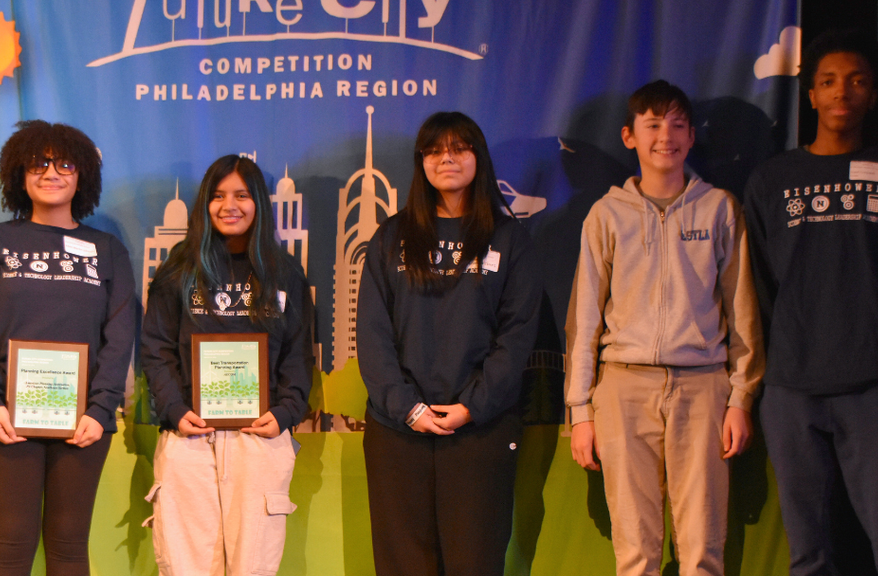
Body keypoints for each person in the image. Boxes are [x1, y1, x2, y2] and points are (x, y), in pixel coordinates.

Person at [744, 29, 878, 576]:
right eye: (828, 81)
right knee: (809, 551)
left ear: (872, 94)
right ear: (810, 95)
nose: (841, 92)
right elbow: (759, 284)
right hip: (793, 388)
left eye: (856, 81)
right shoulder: (772, 180)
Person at [564, 80, 764, 576]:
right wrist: (580, 411)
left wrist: (740, 399)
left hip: (703, 388)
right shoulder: (606, 215)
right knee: (635, 551)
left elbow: (742, 313)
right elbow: (584, 317)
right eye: (653, 125)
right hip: (623, 387)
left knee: (702, 549)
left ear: (692, 136)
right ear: (630, 136)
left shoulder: (719, 209)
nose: (665, 136)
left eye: (677, 125)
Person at [357, 111, 542, 576]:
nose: (447, 159)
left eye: (459, 148)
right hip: (399, 433)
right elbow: (372, 334)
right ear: (421, 162)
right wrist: (408, 408)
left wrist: (471, 406)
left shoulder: (509, 239)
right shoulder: (391, 237)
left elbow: (517, 335)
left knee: (475, 563)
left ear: (478, 157)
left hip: (479, 432)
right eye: (435, 150)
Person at [0, 120, 135, 575]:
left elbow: (119, 335)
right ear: (20, 173)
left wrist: (100, 411)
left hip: (83, 421)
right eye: (39, 162)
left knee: (69, 548)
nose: (51, 171)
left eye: (65, 163)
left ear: (82, 177)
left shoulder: (107, 249)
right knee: (13, 547)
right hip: (7, 419)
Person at [140, 154, 313, 576]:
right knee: (186, 566)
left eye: (240, 195)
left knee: (252, 566)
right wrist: (176, 411)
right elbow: (156, 346)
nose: (228, 205)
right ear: (205, 203)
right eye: (217, 196)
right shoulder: (180, 268)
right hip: (189, 436)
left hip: (260, 435)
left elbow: (299, 353)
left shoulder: (284, 272)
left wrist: (284, 414)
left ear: (259, 203)